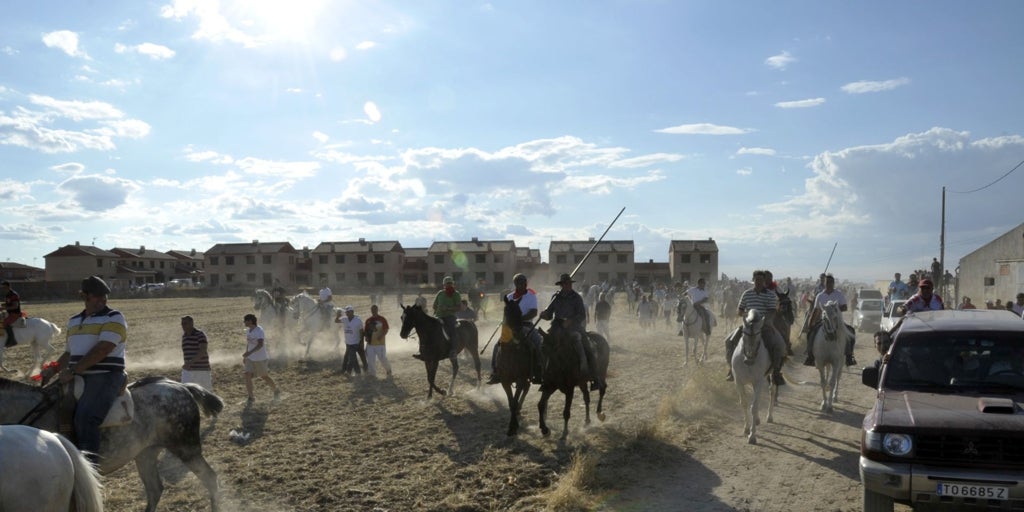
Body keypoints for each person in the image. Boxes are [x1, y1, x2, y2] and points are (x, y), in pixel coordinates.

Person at [39, 276, 128, 463]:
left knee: (86, 418)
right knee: (44, 408)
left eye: (104, 296)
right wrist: (52, 369)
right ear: (83, 296)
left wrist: (73, 371)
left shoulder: (114, 317)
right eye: (96, 296)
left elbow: (103, 349)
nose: (101, 300)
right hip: (78, 375)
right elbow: (70, 353)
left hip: (106, 376)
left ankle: (90, 471)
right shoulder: (74, 321)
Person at [724, 270, 786, 384]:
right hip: (748, 326)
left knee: (780, 345)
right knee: (728, 341)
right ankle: (731, 369)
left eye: (761, 280)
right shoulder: (747, 293)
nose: (759, 282)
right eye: (757, 279)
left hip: (764, 326)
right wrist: (745, 315)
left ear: (764, 282)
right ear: (753, 280)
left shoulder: (770, 295)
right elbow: (740, 310)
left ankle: (776, 373)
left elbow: (772, 311)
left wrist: (766, 321)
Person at [540, 273, 597, 389]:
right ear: (561, 285)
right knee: (543, 345)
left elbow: (581, 315)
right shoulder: (555, 297)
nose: (568, 286)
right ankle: (544, 375)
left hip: (574, 327)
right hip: (556, 328)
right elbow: (549, 314)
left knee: (586, 347)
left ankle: (593, 376)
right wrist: (544, 315)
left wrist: (570, 321)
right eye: (565, 284)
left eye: (569, 284)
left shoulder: (576, 297)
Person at [487, 273, 544, 385]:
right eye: (519, 283)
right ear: (515, 284)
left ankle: (539, 371)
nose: (522, 285)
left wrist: (519, 318)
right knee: (496, 345)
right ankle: (495, 372)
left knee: (538, 343)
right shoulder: (509, 297)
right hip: (510, 327)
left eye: (523, 283)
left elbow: (534, 312)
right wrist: (505, 321)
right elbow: (506, 313)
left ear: (526, 283)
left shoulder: (531, 296)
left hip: (526, 325)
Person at [803, 273, 856, 367]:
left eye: (831, 282)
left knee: (851, 331)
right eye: (828, 282)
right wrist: (810, 324)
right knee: (811, 334)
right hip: (823, 321)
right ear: (824, 283)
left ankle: (849, 356)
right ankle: (810, 356)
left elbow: (845, 307)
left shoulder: (838, 294)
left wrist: (834, 309)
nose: (829, 284)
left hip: (837, 321)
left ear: (834, 283)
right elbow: (816, 310)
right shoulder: (820, 296)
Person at [242, 313, 280, 405]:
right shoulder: (248, 331)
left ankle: (276, 390)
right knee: (247, 374)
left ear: (250, 321)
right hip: (250, 358)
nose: (244, 322)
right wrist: (247, 355)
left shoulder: (259, 331)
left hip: (260, 358)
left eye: (245, 321)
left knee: (264, 376)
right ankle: (251, 397)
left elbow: (260, 344)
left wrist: (249, 353)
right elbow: (249, 343)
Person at [430, 276, 462, 359]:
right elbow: (434, 306)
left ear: (453, 284)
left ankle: (453, 350)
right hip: (438, 316)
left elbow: (459, 307)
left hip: (450, 316)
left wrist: (447, 308)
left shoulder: (456, 294)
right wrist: (438, 308)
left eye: (450, 283)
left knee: (452, 331)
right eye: (447, 284)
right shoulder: (440, 293)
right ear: (444, 285)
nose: (449, 285)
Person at [180, 315, 212, 391]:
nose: (183, 326)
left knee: (206, 393)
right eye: (182, 324)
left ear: (191, 323)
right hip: (189, 370)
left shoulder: (200, 334)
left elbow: (203, 350)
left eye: (185, 323)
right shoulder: (184, 336)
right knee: (186, 392)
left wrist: (190, 362)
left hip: (201, 370)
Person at [364, 305, 392, 378]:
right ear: (371, 310)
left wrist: (381, 336)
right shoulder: (368, 320)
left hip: (380, 344)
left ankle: (388, 370)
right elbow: (366, 331)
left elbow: (386, 329)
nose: (373, 311)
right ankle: (372, 374)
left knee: (382, 358)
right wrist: (366, 337)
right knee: (370, 360)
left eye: (374, 310)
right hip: (370, 344)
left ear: (377, 310)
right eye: (372, 310)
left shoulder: (382, 319)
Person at [337, 305, 364, 376]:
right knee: (348, 357)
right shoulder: (345, 319)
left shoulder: (358, 320)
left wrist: (361, 342)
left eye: (348, 312)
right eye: (346, 312)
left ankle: (348, 372)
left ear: (352, 312)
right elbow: (336, 320)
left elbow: (361, 331)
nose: (347, 313)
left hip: (355, 343)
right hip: (348, 343)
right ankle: (357, 372)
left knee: (351, 357)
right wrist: (338, 315)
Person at [1, 280, 24, 346]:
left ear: (8, 287)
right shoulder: (7, 295)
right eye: (2, 287)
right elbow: (9, 304)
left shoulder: (14, 294)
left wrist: (4, 308)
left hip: (15, 314)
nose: (3, 289)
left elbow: (15, 306)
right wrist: (3, 305)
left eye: (4, 287)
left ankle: (12, 340)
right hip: (9, 313)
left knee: (4, 323)